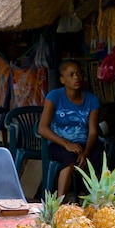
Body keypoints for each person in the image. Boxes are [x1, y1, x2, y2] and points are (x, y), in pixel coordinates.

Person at [38, 60, 102, 198]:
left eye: (78, 73)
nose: (76, 77)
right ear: (62, 80)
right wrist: (66, 144)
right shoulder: (54, 96)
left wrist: (86, 151)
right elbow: (42, 128)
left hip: (84, 144)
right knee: (70, 157)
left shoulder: (92, 100)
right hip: (59, 144)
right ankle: (60, 203)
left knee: (97, 156)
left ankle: (98, 203)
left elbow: (93, 132)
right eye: (71, 75)